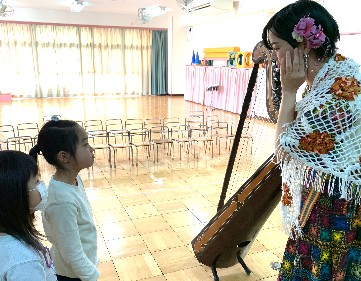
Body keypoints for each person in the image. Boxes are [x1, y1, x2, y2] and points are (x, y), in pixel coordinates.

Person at [262, 0, 361, 280]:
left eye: (277, 48)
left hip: (335, 207)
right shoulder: (335, 75)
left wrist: (290, 91)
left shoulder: (336, 92)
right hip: (329, 195)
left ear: (304, 45)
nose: (274, 58)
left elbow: (282, 149)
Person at [29, 118, 99, 281]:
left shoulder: (73, 180)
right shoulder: (62, 202)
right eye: (85, 144)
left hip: (81, 269)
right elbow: (72, 254)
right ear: (64, 157)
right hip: (73, 275)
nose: (92, 149)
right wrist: (92, 276)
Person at [0, 150, 57, 281]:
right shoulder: (23, 261)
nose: (42, 185)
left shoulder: (10, 238)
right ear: (15, 194)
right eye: (37, 181)